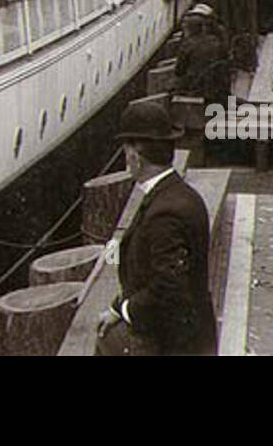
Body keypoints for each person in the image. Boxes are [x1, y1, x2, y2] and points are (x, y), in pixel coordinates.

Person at [96, 100, 217, 357]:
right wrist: (118, 309)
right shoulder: (181, 194)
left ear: (135, 157)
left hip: (172, 344)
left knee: (105, 343)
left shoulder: (165, 215)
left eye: (126, 151)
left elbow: (167, 289)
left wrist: (126, 310)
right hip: (191, 332)